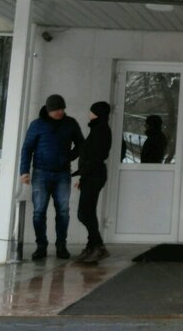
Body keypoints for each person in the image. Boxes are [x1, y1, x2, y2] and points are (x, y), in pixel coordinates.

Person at [20, 94, 84, 260]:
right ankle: (41, 246)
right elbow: (27, 148)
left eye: (62, 108)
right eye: (56, 109)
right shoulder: (37, 125)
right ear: (49, 110)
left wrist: (69, 157)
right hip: (41, 173)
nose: (60, 112)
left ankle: (61, 246)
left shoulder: (70, 123)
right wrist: (24, 171)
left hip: (63, 174)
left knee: (63, 211)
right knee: (39, 212)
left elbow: (81, 144)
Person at [74, 101, 112, 263]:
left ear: (97, 113)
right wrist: (82, 176)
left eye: (91, 111)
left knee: (84, 213)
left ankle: (98, 246)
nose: (89, 114)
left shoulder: (101, 130)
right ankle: (92, 246)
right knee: (87, 212)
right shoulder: (97, 129)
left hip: (94, 175)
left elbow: (96, 157)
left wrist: (82, 174)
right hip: (91, 175)